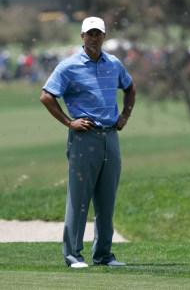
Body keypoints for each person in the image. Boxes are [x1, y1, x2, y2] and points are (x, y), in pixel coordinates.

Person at [40, 16, 136, 268]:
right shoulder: (68, 66)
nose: (94, 38)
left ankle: (103, 255)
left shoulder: (113, 64)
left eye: (98, 34)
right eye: (89, 34)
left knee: (107, 199)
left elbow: (130, 87)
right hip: (84, 137)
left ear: (104, 36)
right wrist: (69, 122)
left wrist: (124, 115)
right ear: (82, 36)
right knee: (79, 198)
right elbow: (47, 96)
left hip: (110, 137)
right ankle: (73, 256)